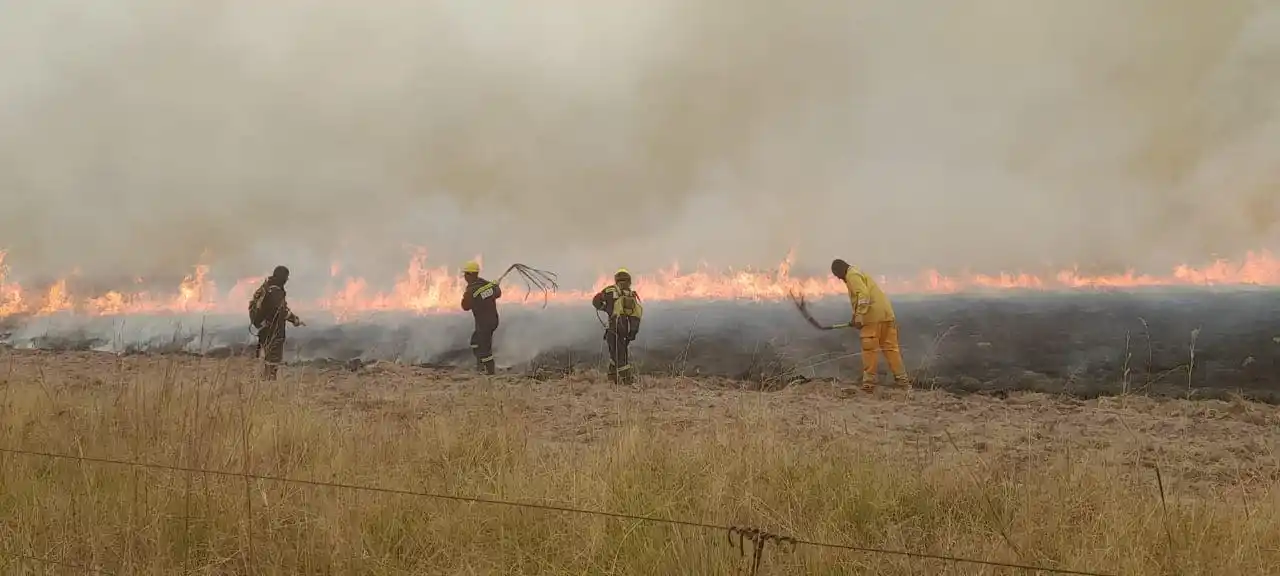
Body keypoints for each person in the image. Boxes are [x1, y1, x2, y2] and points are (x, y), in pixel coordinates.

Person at [830, 258, 909, 392]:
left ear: (840, 270)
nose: (839, 279)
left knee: (869, 350)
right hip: (886, 314)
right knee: (891, 349)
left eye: (838, 276)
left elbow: (863, 295)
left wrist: (860, 315)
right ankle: (903, 382)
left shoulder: (851, 275)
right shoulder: (857, 272)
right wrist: (855, 316)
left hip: (872, 317)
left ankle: (868, 384)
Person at [249, 265, 305, 380]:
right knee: (273, 359)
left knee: (268, 358)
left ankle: (266, 380)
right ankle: (269, 383)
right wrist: (295, 320)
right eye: (286, 278)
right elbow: (281, 311)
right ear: (282, 278)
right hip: (273, 330)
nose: (286, 281)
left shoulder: (266, 287)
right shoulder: (275, 291)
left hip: (264, 329)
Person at [592, 268, 643, 384]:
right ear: (629, 281)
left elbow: (595, 301)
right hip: (625, 332)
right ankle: (620, 380)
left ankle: (619, 380)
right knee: (620, 355)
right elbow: (635, 316)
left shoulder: (609, 290)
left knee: (618, 356)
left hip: (613, 330)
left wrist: (605, 308)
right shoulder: (630, 295)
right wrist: (632, 333)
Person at [460, 260, 502, 375]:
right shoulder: (486, 285)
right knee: (475, 341)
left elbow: (465, 306)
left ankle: (490, 372)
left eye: (465, 274)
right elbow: (498, 293)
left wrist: (470, 298)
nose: (464, 277)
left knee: (485, 347)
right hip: (493, 320)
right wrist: (494, 287)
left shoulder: (471, 290)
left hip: (484, 323)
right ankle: (480, 365)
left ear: (470, 275)